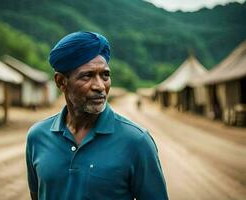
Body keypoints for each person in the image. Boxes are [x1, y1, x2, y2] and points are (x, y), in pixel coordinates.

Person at [26, 32, 168, 200]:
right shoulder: (37, 136)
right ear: (61, 82)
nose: (100, 86)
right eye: (87, 76)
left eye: (105, 75)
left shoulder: (137, 142)